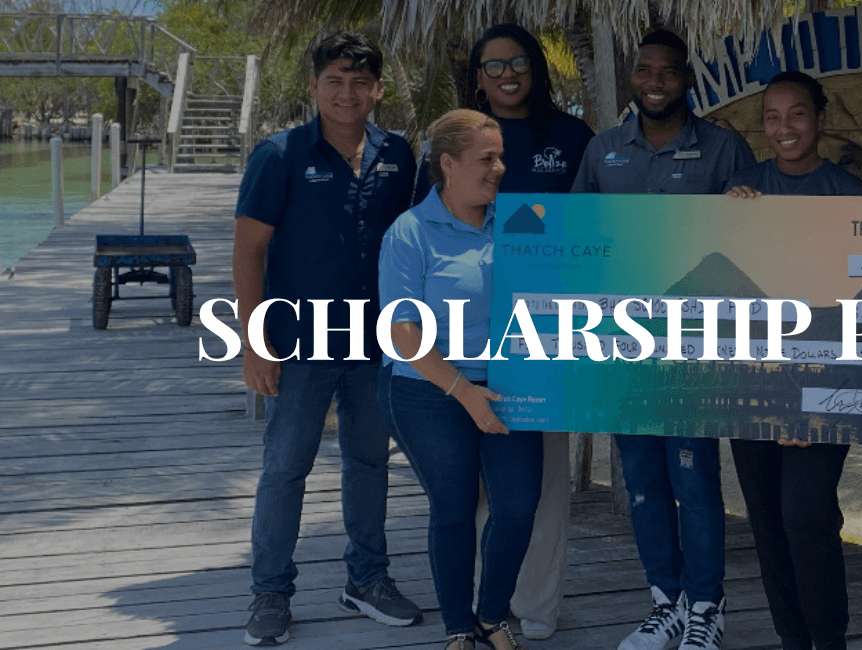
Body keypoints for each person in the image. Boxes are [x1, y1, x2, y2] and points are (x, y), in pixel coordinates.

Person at [409, 24, 597, 642]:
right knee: (471, 488)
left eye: (518, 61)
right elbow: (423, 229)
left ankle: (536, 604)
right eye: (493, 65)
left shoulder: (572, 137)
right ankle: (479, 607)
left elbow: (602, 228)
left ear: (536, 67)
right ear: (477, 76)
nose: (507, 73)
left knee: (539, 485)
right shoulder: (448, 138)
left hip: (546, 339)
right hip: (464, 340)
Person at [233, 30, 421, 647]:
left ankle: (367, 580)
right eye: (334, 81)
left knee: (369, 463)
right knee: (286, 468)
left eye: (359, 82)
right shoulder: (279, 155)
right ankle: (270, 592)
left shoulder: (399, 155)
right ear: (314, 86)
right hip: (299, 344)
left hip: (376, 344)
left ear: (378, 89)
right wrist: (254, 342)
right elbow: (249, 251)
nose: (347, 94)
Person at [572, 28, 754, 650]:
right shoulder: (602, 150)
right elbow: (577, 240)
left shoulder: (725, 149)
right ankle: (665, 603)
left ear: (688, 80)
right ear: (632, 78)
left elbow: (752, 240)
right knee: (642, 481)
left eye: (668, 72)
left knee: (694, 480)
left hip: (694, 349)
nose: (654, 82)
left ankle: (706, 606)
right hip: (622, 346)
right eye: (645, 71)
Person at [378, 109, 543, 650]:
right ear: (448, 164)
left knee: (517, 507)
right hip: (428, 390)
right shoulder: (410, 232)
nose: (499, 168)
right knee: (453, 509)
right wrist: (464, 392)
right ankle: (457, 628)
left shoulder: (520, 220)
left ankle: (491, 616)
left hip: (511, 384)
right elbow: (402, 332)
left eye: (501, 157)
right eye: (486, 159)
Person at [722, 71, 862, 650]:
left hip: (824, 386)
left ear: (821, 120)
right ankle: (792, 639)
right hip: (752, 382)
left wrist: (811, 403)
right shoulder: (742, 188)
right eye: (772, 117)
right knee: (765, 520)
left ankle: (828, 639)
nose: (784, 127)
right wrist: (726, 222)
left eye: (797, 114)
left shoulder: (850, 194)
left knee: (806, 515)